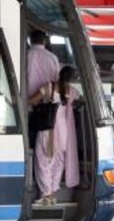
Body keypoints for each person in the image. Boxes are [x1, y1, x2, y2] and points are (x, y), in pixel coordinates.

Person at [29, 66, 80, 205]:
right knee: (58, 162)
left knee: (43, 161)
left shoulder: (49, 86)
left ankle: (46, 194)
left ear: (59, 74)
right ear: (72, 79)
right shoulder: (73, 92)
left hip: (48, 129)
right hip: (64, 133)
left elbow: (32, 101)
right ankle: (53, 194)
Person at [27, 30, 60, 97]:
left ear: (30, 41)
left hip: (26, 99)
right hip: (46, 100)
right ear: (45, 41)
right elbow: (56, 79)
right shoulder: (52, 57)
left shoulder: (24, 55)